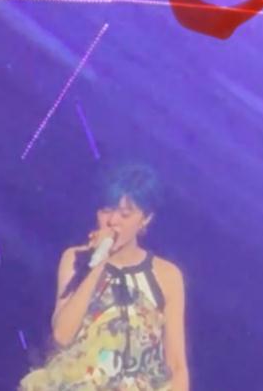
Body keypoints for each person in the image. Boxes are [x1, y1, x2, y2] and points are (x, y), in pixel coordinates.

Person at [18, 164, 189, 390]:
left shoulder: (167, 275)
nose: (113, 221)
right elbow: (61, 336)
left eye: (125, 214)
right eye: (106, 211)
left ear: (145, 219)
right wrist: (99, 262)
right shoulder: (75, 259)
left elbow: (176, 364)